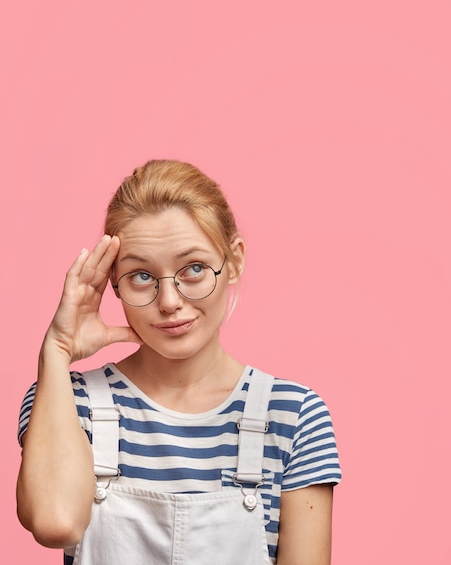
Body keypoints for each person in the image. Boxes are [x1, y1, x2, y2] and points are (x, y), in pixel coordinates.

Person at [16, 159, 342, 565]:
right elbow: (55, 523)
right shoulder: (67, 399)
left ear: (234, 260)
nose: (169, 302)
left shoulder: (293, 416)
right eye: (141, 276)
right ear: (112, 282)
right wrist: (58, 348)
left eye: (193, 269)